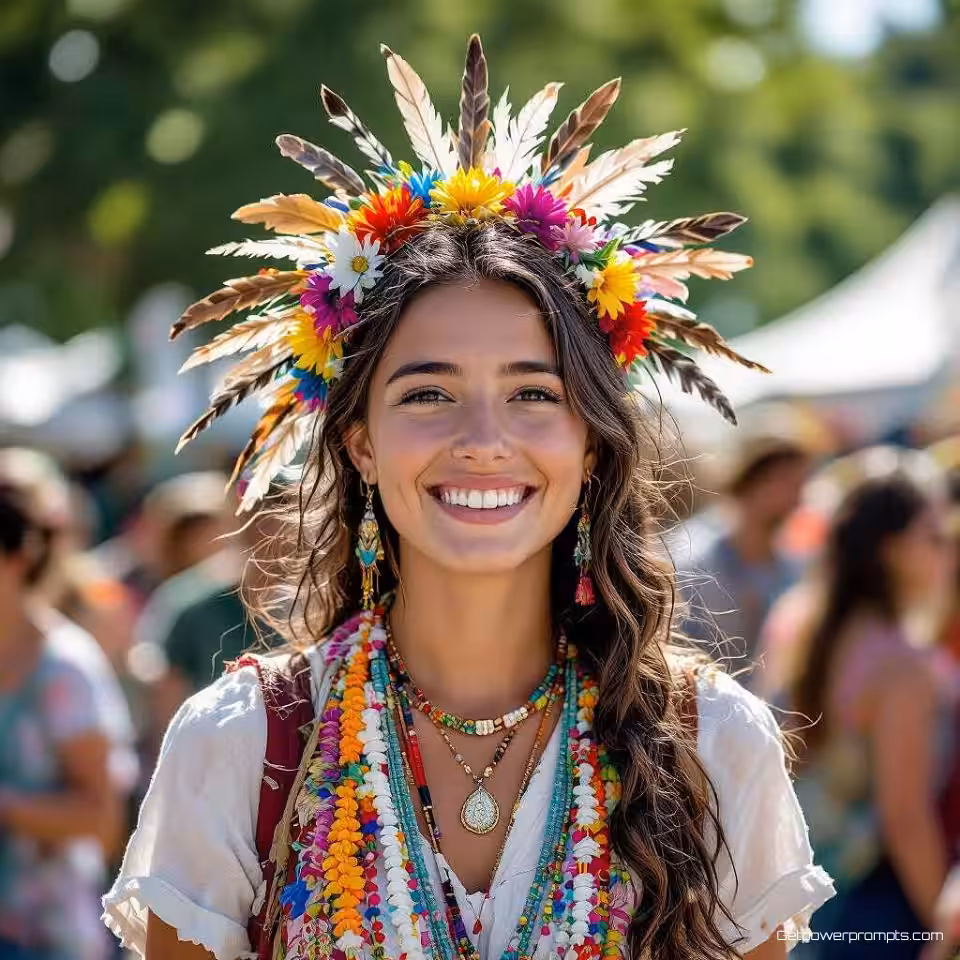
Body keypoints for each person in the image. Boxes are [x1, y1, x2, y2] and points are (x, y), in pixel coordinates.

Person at [102, 35, 835, 960]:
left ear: (592, 444)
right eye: (428, 393)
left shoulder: (714, 747)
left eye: (535, 393)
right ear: (360, 440)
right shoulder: (242, 748)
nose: (484, 439)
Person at [771, 463, 955, 958]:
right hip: (872, 904)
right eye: (934, 537)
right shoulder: (901, 664)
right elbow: (905, 816)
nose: (947, 552)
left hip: (809, 896)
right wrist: (946, 931)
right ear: (893, 551)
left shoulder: (812, 625)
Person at [0, 473, 134, 960]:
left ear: (17, 559)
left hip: (47, 940)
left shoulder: (64, 668)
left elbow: (102, 822)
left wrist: (7, 808)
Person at [676, 435, 812, 682]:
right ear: (754, 479)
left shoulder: (794, 570)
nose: (798, 498)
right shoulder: (692, 565)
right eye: (787, 482)